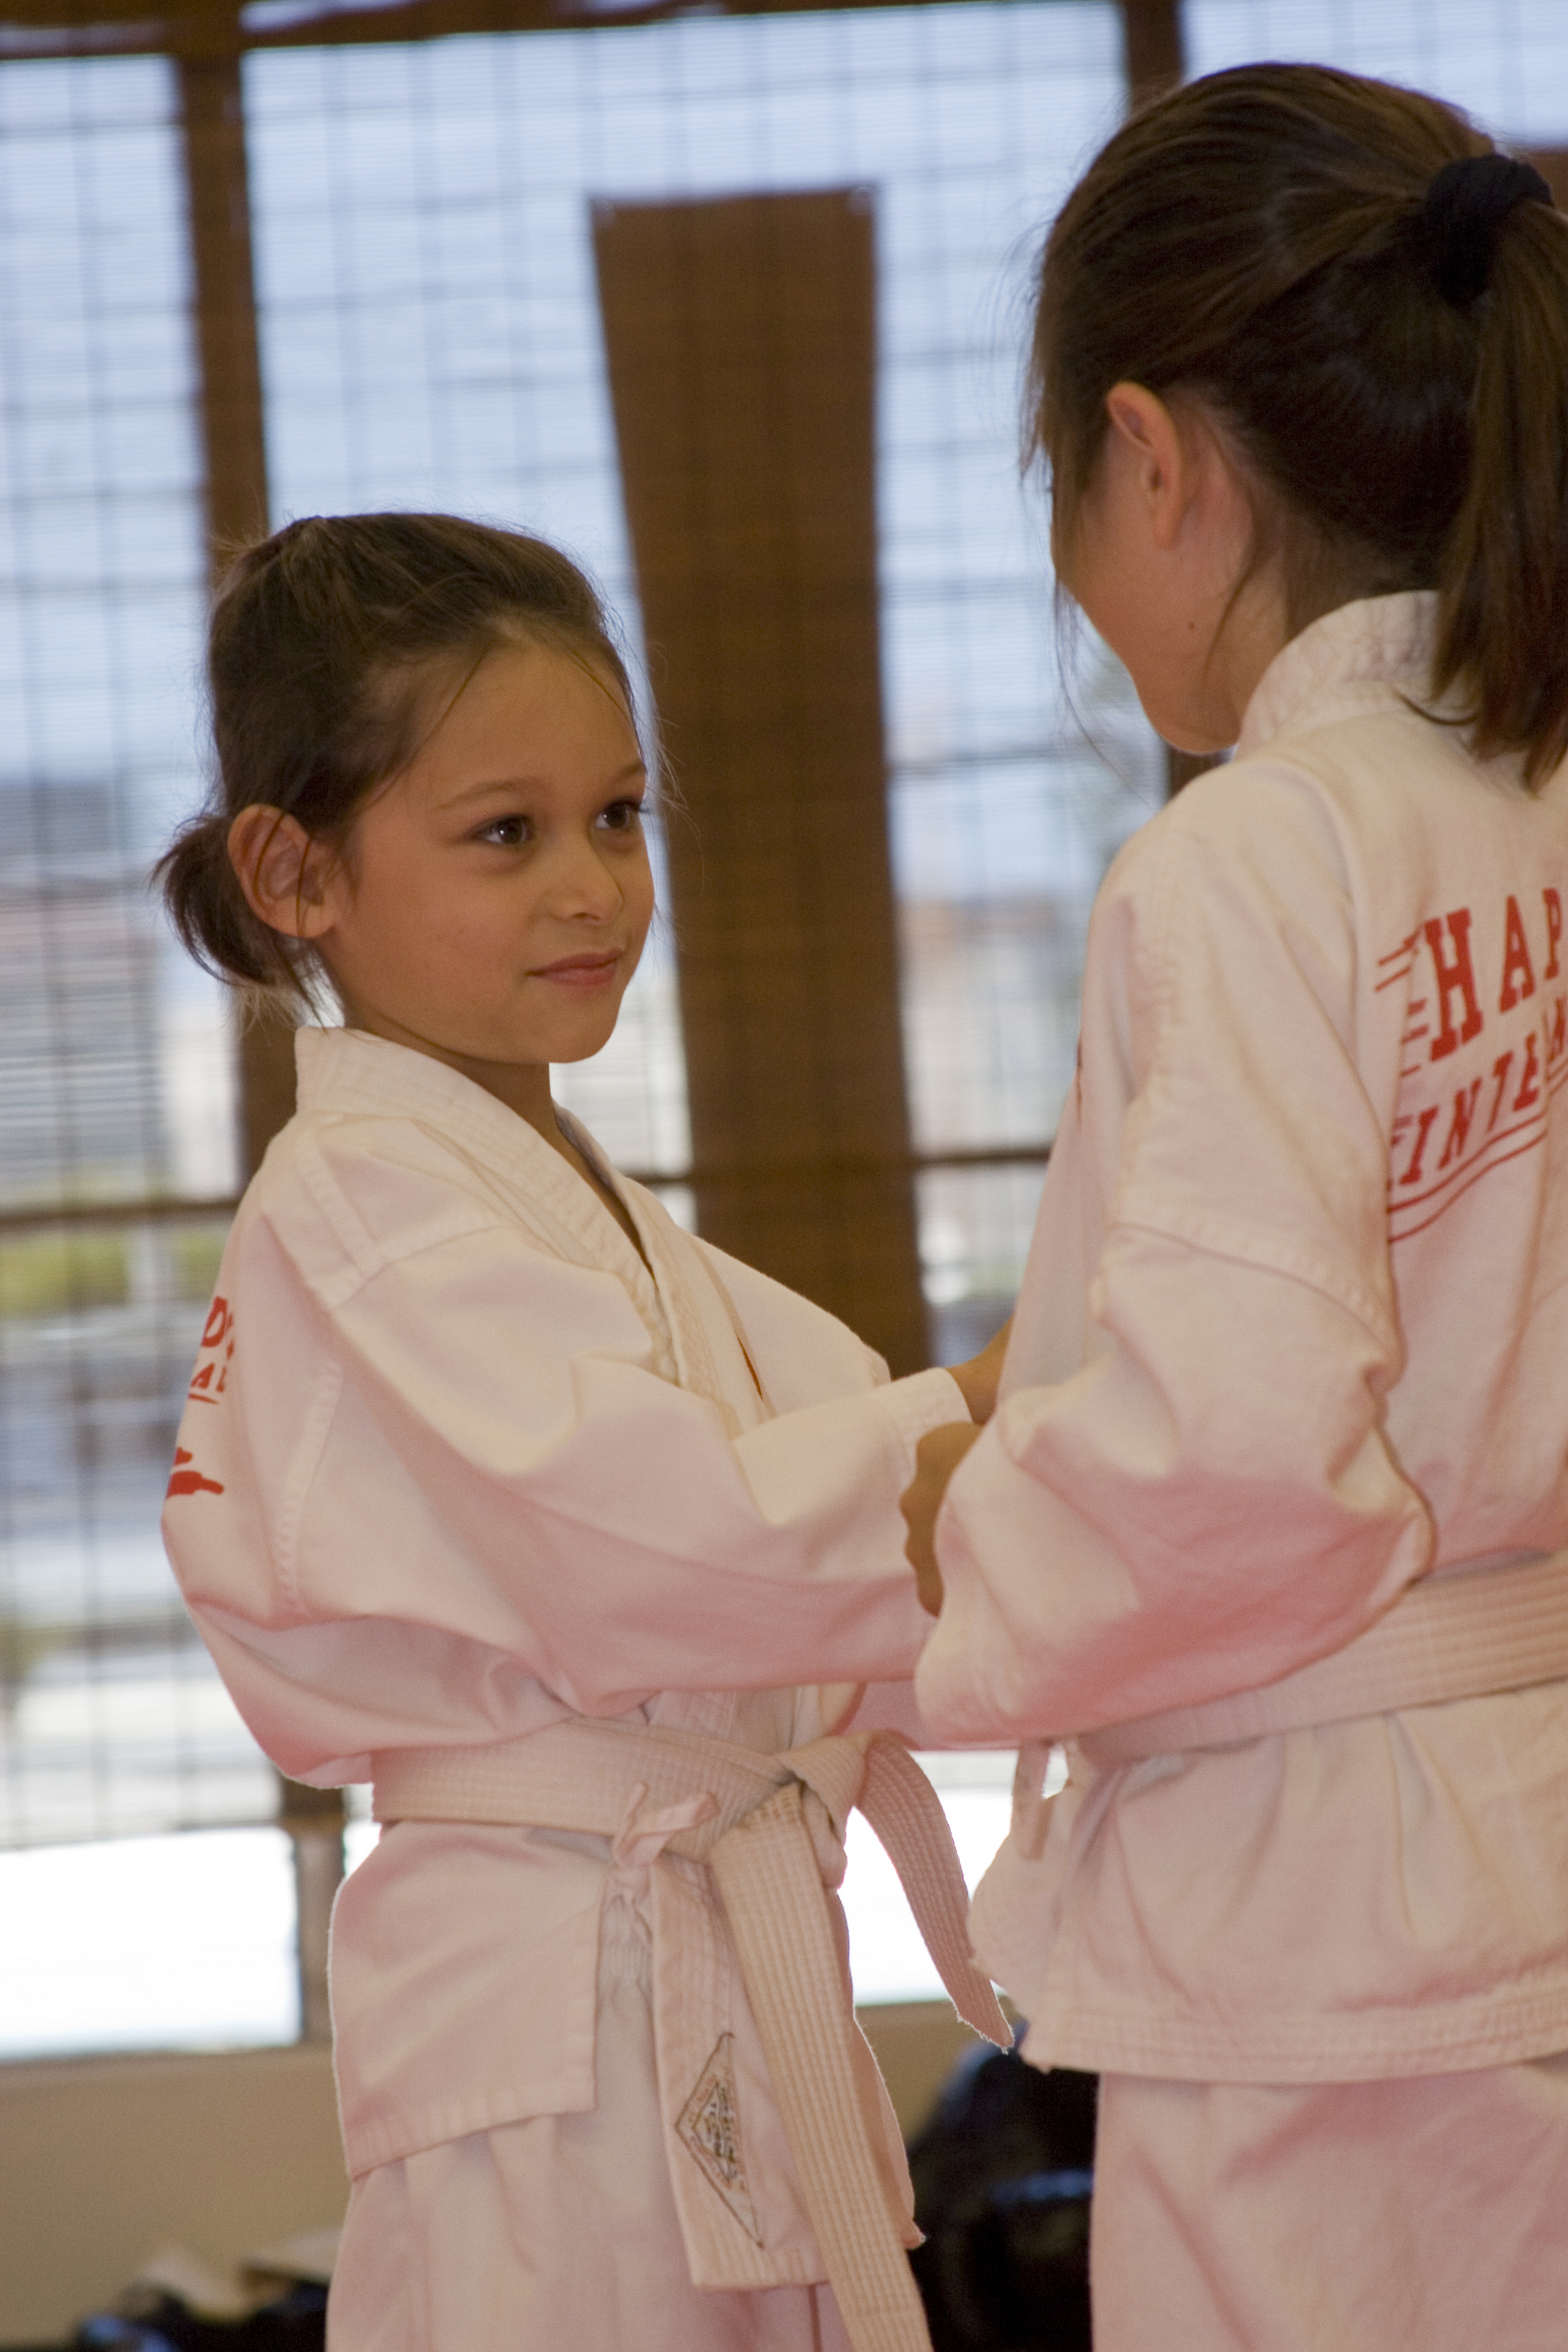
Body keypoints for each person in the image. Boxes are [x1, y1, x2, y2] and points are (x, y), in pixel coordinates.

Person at [157, 511, 1009, 2352]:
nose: (592, 887)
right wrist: (993, 1422)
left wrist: (1043, 1471)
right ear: (294, 872)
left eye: (618, 817)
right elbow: (683, 1547)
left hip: (672, 1951)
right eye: (506, 833)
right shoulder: (363, 1204)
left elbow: (841, 1525)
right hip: (554, 1993)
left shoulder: (561, 1211)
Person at [901, 64, 1568, 2352]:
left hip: (1320, 1925)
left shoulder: (1257, 854)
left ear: (1152, 458)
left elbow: (1234, 1450)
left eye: (1061, 496)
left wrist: (963, 1539)